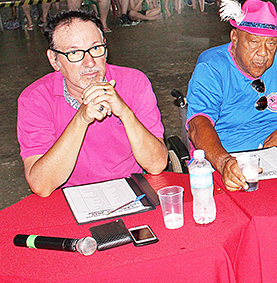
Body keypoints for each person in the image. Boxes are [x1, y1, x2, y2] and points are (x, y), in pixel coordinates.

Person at [17, 10, 167, 197]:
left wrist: (125, 113)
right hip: (68, 198)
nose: (89, 63)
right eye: (74, 53)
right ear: (54, 60)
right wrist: (81, 119)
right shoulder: (35, 99)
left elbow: (156, 164)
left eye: (96, 49)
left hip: (131, 190)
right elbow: (41, 185)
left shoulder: (134, 82)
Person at [186, 0, 277, 191]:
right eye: (254, 41)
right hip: (228, 155)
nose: (263, 53)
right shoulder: (212, 66)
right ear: (235, 37)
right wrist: (224, 163)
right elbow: (198, 124)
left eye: (271, 43)